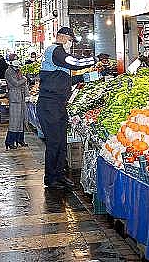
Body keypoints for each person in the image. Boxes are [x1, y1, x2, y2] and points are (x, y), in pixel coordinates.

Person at [37, 27, 96, 190]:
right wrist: (94, 60)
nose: (71, 44)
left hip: (58, 105)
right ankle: (51, 178)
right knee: (54, 143)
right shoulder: (55, 50)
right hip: (49, 105)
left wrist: (87, 77)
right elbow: (74, 62)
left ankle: (60, 175)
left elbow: (64, 80)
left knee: (61, 142)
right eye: (70, 40)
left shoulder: (59, 60)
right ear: (62, 37)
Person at [4, 59, 29, 149]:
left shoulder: (18, 71)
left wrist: (27, 95)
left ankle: (20, 139)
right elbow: (16, 83)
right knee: (14, 121)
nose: (17, 68)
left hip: (21, 97)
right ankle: (9, 141)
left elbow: (23, 85)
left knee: (21, 119)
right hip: (14, 97)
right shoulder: (8, 72)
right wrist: (24, 79)